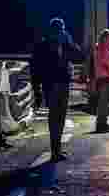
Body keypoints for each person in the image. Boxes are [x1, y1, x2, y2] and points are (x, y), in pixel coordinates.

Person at [31, 18, 82, 161]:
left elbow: (80, 56)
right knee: (56, 117)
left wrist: (69, 43)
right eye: (60, 29)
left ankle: (56, 150)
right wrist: (37, 88)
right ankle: (55, 150)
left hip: (60, 84)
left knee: (58, 117)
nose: (60, 32)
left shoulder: (63, 45)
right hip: (53, 84)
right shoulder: (43, 45)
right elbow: (35, 67)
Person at [93, 29, 109, 133]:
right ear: (104, 38)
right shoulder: (102, 48)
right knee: (104, 101)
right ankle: (101, 124)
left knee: (106, 101)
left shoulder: (105, 48)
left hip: (107, 77)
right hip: (105, 77)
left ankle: (102, 122)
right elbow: (105, 62)